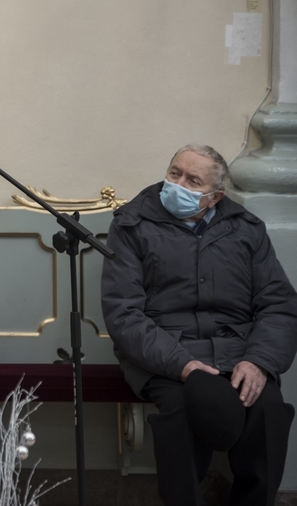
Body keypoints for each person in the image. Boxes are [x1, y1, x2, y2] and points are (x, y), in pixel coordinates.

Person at [101, 144, 297, 506]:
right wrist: (183, 365)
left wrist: (259, 361)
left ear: (214, 196)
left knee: (267, 409)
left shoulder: (247, 229)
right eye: (175, 173)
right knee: (181, 413)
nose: (178, 184)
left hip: (238, 351)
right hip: (164, 355)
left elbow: (279, 305)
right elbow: (123, 312)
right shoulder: (131, 224)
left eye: (193, 181)